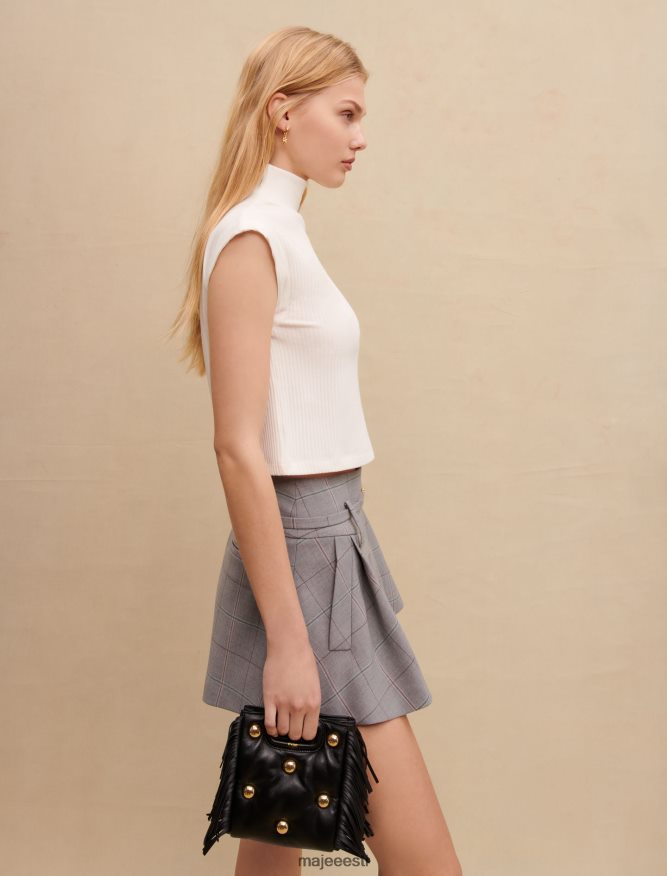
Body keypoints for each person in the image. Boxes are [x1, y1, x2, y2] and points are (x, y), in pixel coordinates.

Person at [169, 25, 462, 876]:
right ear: (282, 112)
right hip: (307, 556)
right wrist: (290, 643)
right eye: (347, 113)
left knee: (280, 825)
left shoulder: (279, 229)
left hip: (332, 540)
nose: (359, 136)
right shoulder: (252, 237)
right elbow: (236, 448)